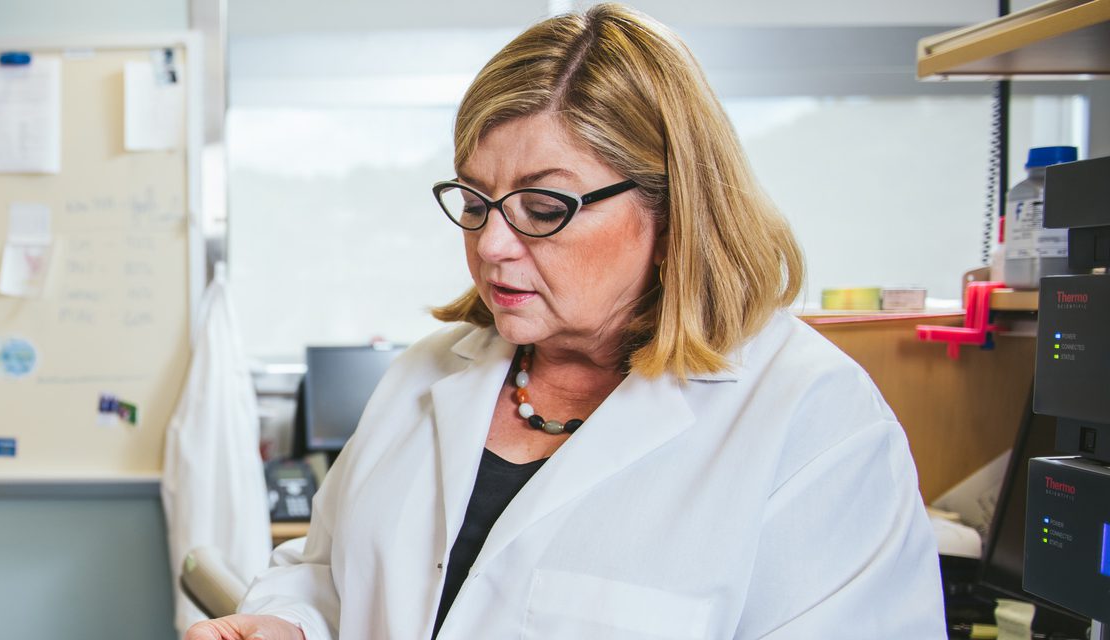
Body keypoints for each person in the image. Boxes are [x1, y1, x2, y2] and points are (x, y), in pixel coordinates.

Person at [186, 5, 944, 639]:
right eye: (477, 202)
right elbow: (328, 571)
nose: (490, 245)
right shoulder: (426, 375)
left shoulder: (813, 420)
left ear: (674, 207)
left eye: (544, 208)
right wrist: (292, 623)